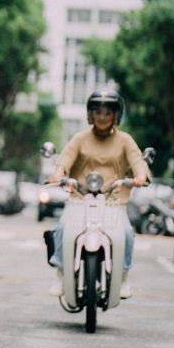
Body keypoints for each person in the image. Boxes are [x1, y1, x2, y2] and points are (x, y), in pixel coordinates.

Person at [47, 89, 149, 299]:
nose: (102, 117)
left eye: (107, 112)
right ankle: (60, 273)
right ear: (90, 114)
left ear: (116, 115)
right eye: (98, 111)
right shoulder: (79, 138)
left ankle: (122, 277)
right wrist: (58, 173)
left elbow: (138, 163)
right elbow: (64, 161)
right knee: (62, 227)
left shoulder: (125, 140)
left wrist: (140, 176)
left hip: (113, 202)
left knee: (127, 233)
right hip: (79, 199)